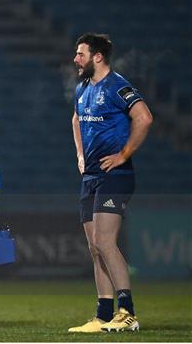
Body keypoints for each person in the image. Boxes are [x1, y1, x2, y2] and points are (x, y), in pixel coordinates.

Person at [68, 33, 153, 333]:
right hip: (90, 176)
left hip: (115, 175)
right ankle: (103, 314)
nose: (76, 59)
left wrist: (124, 154)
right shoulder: (82, 89)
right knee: (94, 247)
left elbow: (144, 117)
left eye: (80, 54)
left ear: (98, 57)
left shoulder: (118, 86)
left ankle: (127, 312)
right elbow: (76, 120)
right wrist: (80, 154)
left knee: (105, 241)